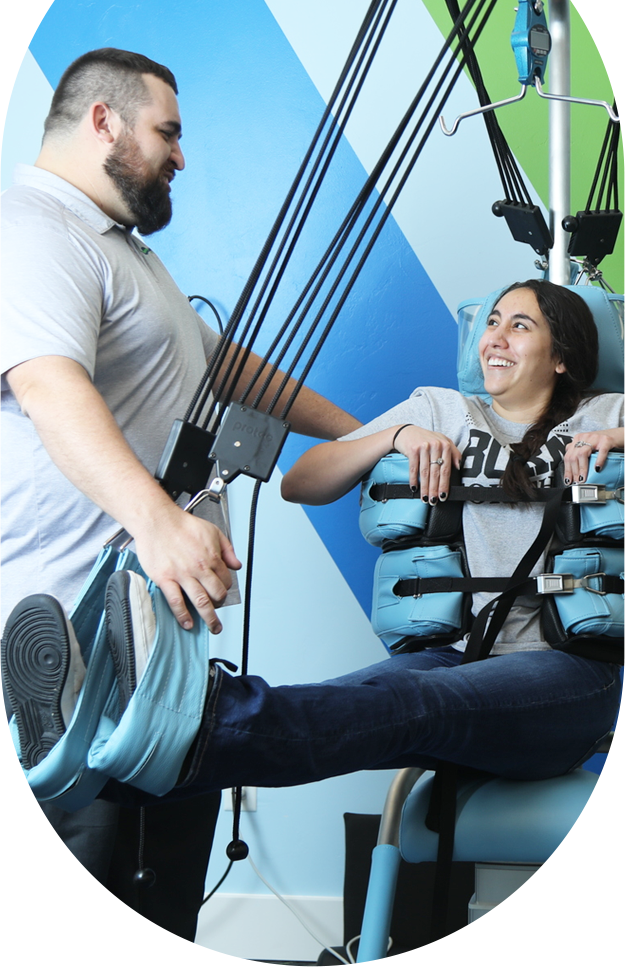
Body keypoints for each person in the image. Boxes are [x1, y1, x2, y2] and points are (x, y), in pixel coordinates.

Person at [0, 47, 362, 967]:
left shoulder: (125, 254)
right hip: (66, 634)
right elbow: (47, 385)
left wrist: (369, 435)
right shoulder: (32, 227)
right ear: (102, 121)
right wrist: (160, 524)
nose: (181, 156)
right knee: (47, 914)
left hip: (162, 636)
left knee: (155, 915)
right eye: (168, 131)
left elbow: (228, 369)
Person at [4, 281, 623, 813]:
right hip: (452, 659)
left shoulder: (605, 411)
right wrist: (395, 436)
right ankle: (94, 763)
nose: (495, 338)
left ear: (562, 355)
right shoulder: (441, 410)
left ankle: (160, 715)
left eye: (520, 326)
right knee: (358, 704)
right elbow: (304, 482)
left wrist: (617, 436)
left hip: (566, 681)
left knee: (409, 700)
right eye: (491, 323)